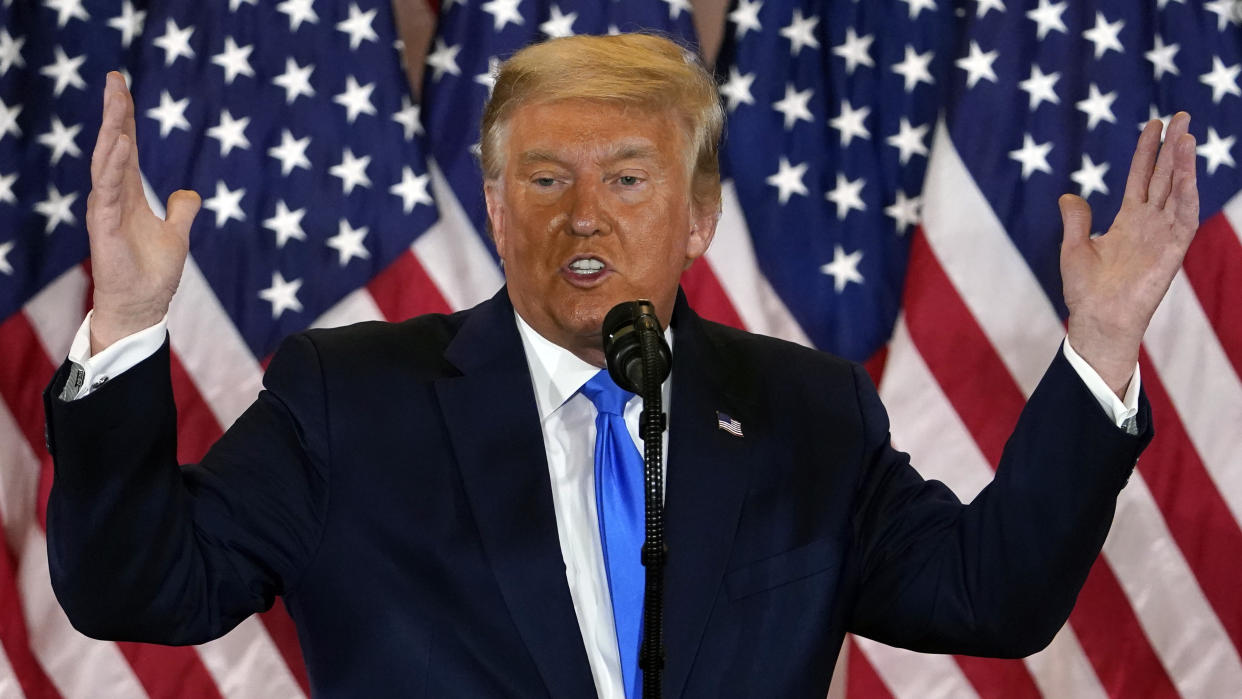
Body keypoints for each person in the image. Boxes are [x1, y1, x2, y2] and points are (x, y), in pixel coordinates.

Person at [44, 34, 1198, 698]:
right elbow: (136, 589)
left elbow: (993, 599)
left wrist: (1099, 343)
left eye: (629, 180)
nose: (583, 218)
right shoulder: (350, 400)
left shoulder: (807, 413)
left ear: (698, 216)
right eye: (545, 181)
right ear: (496, 209)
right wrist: (133, 324)